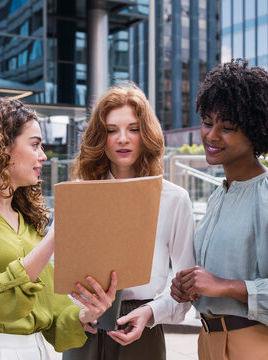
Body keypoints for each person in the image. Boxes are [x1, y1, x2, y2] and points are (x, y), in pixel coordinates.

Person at [0, 98, 117, 359]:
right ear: (1, 147)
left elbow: (53, 307)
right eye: (35, 144)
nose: (43, 156)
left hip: (36, 349)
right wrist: (56, 236)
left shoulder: (26, 221)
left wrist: (88, 313)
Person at [171, 59, 268, 360]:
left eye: (227, 127)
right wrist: (189, 287)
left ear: (255, 132)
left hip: (258, 346)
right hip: (210, 344)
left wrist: (225, 286)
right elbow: (213, 281)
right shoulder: (221, 194)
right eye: (207, 122)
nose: (212, 135)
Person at [62, 82, 195, 360]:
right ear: (101, 138)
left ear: (146, 134)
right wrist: (75, 313)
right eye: (112, 131)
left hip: (143, 329)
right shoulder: (78, 195)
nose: (123, 138)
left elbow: (186, 285)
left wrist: (151, 312)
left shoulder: (174, 199)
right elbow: (53, 271)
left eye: (133, 129)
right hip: (84, 327)